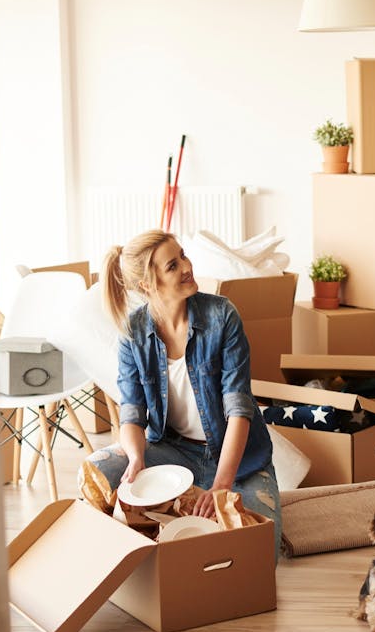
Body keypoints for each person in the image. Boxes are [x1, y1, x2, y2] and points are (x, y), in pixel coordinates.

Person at [79, 229, 282, 557]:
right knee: (98, 468)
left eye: (183, 256)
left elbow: (239, 410)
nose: (187, 267)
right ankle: (142, 539)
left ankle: (188, 508)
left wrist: (220, 485)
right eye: (172, 266)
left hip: (239, 460)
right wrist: (136, 459)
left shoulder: (221, 316)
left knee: (259, 551)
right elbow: (132, 410)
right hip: (173, 453)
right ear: (148, 285)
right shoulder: (133, 332)